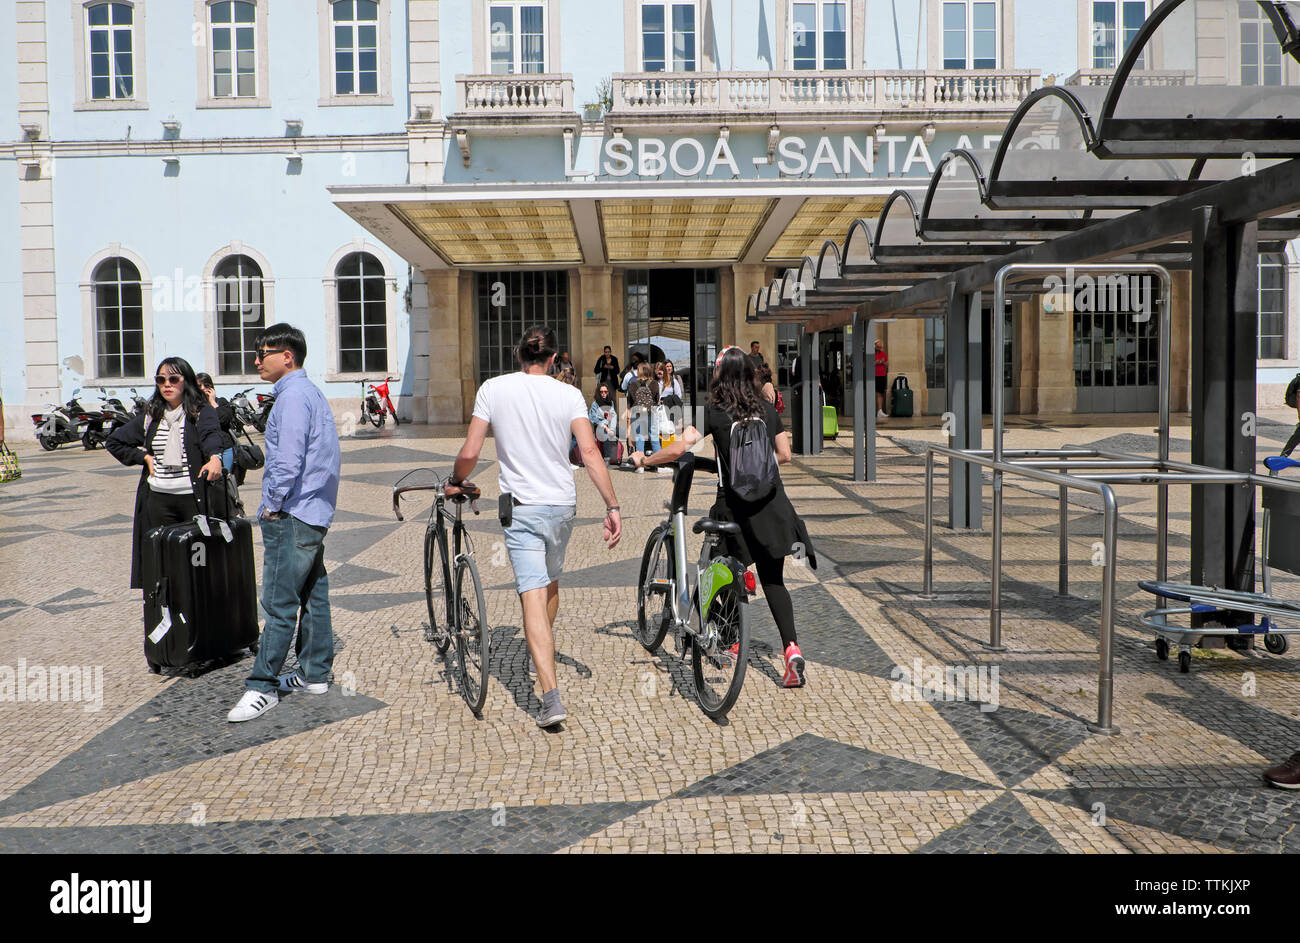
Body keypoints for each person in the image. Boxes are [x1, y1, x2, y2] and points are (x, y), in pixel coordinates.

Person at [450, 325, 622, 728]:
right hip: (562, 505)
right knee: (550, 584)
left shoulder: (493, 389)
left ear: (519, 355)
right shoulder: (569, 394)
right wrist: (612, 504)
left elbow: (471, 451)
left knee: (532, 595)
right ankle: (539, 651)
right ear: (552, 359)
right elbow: (591, 450)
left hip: (522, 508)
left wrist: (456, 477)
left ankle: (551, 698)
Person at [631, 346, 816, 688]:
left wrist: (646, 460)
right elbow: (785, 455)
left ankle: (727, 639)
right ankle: (791, 651)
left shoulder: (714, 410)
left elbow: (678, 448)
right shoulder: (765, 409)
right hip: (774, 508)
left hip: (734, 510)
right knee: (774, 581)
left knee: (720, 569)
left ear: (720, 374)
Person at [227, 324, 341, 723]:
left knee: (278, 603)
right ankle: (314, 674)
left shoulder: (292, 398)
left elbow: (288, 461)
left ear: (287, 356)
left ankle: (262, 686)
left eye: (264, 352)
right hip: (314, 512)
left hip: (292, 513)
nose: (257, 360)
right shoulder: (310, 393)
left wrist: (271, 505)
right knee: (313, 595)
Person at [107, 358, 226, 594]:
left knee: (197, 561)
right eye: (161, 380)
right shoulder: (152, 416)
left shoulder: (200, 412)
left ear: (186, 382)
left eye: (173, 379)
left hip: (192, 499)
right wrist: (143, 457)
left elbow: (212, 435)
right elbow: (115, 441)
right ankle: (167, 611)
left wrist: (215, 458)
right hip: (158, 500)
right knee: (162, 561)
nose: (166, 385)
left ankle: (197, 609)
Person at [628, 360, 660, 470]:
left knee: (640, 437)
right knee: (654, 436)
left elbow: (631, 401)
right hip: (652, 411)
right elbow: (656, 399)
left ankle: (640, 465)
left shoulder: (633, 384)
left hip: (638, 412)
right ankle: (659, 463)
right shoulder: (654, 383)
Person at [589, 383, 620, 465]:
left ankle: (616, 455)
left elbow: (613, 417)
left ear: (608, 392)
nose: (603, 394)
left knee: (620, 432)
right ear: (598, 393)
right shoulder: (595, 404)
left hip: (609, 426)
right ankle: (606, 458)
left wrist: (612, 428)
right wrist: (605, 426)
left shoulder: (611, 403)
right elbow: (593, 419)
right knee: (606, 433)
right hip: (599, 427)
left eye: (605, 392)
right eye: (601, 392)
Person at [874, 339, 888, 419]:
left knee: (881, 393)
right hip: (874, 375)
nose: (879, 348)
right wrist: (876, 362)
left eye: (880, 347)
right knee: (875, 393)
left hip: (881, 375)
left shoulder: (883, 354)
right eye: (878, 347)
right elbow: (866, 364)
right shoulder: (871, 354)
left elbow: (887, 364)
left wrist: (883, 362)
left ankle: (880, 410)